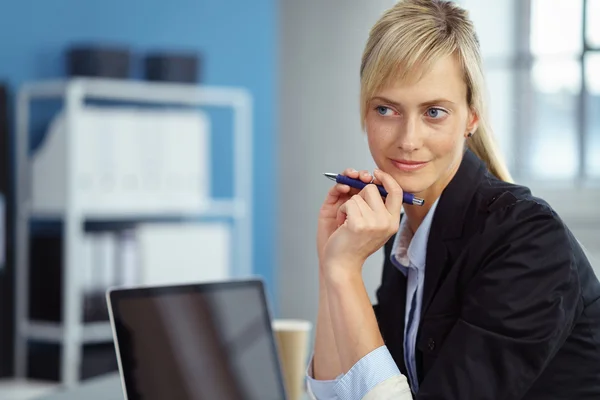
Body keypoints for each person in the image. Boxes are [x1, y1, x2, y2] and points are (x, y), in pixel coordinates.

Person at [306, 0, 600, 399]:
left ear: (471, 117)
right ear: (365, 113)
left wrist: (345, 270)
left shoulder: (529, 240)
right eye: (386, 109)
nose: (408, 140)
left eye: (434, 112)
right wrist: (331, 266)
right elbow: (336, 394)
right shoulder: (407, 232)